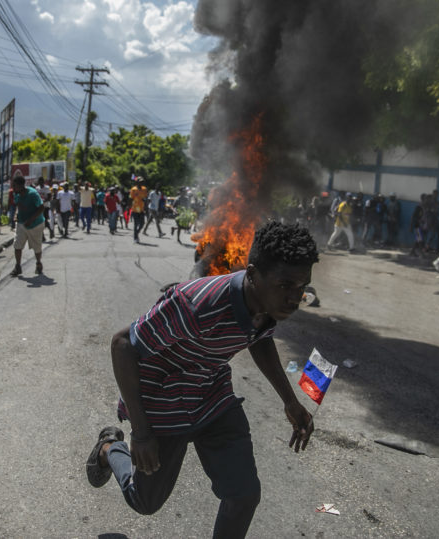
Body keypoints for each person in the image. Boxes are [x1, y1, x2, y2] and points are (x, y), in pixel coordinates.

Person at [85, 221, 319, 538]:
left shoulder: (266, 305)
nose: (295, 297)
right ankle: (110, 447)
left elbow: (259, 339)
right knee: (145, 501)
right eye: (285, 285)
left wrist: (290, 401)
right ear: (252, 274)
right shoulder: (196, 305)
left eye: (301, 286)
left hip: (211, 394)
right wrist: (140, 433)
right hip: (162, 399)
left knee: (243, 494)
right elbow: (122, 345)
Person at [10, 175, 45, 277]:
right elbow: (18, 205)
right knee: (17, 245)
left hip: (35, 224)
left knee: (37, 247)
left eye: (15, 186)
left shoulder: (33, 194)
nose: (13, 188)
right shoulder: (16, 194)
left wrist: (31, 220)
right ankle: (17, 266)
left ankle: (38, 263)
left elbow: (41, 208)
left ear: (21, 186)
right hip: (21, 223)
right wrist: (16, 214)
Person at [130, 176, 149, 243]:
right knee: (136, 224)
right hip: (135, 209)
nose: (141, 183)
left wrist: (146, 204)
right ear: (137, 182)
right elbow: (131, 198)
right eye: (140, 181)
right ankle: (135, 237)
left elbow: (146, 198)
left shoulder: (144, 189)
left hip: (141, 209)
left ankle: (136, 233)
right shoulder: (133, 189)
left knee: (142, 223)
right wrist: (128, 207)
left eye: (142, 182)